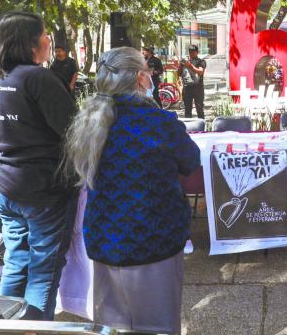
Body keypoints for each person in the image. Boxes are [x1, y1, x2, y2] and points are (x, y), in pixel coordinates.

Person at [63, 47, 200, 333]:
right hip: (155, 239)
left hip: (106, 240)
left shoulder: (88, 123)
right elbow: (191, 161)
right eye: (148, 72)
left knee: (112, 326)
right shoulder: (159, 123)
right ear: (141, 78)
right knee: (158, 324)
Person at [0, 12, 77, 319]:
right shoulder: (38, 78)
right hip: (41, 187)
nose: (49, 40)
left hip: (3, 184)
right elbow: (72, 131)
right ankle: (34, 325)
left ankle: (4, 325)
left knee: (16, 260)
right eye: (45, 34)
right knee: (43, 267)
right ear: (31, 42)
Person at [178, 44, 206, 119]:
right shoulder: (185, 61)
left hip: (198, 89)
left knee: (199, 109)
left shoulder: (201, 61)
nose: (191, 53)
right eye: (190, 52)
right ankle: (189, 128)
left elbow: (200, 72)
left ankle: (202, 127)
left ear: (197, 52)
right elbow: (178, 74)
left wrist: (190, 66)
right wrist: (180, 65)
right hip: (187, 89)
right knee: (187, 110)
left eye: (193, 52)